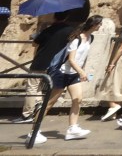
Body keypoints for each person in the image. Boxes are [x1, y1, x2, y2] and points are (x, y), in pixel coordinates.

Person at [33, 14, 104, 146]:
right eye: (99, 24)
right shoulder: (76, 39)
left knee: (78, 99)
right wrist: (81, 71)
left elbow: (82, 57)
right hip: (62, 73)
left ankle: (72, 128)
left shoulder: (91, 38)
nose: (100, 26)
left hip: (73, 74)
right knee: (49, 103)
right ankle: (34, 131)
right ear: (93, 25)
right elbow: (71, 59)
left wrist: (81, 71)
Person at [15, 10, 73, 125]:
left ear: (54, 17)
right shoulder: (70, 31)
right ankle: (38, 108)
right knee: (40, 87)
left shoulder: (48, 30)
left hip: (41, 62)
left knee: (32, 87)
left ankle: (27, 114)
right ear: (66, 17)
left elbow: (35, 43)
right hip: (56, 64)